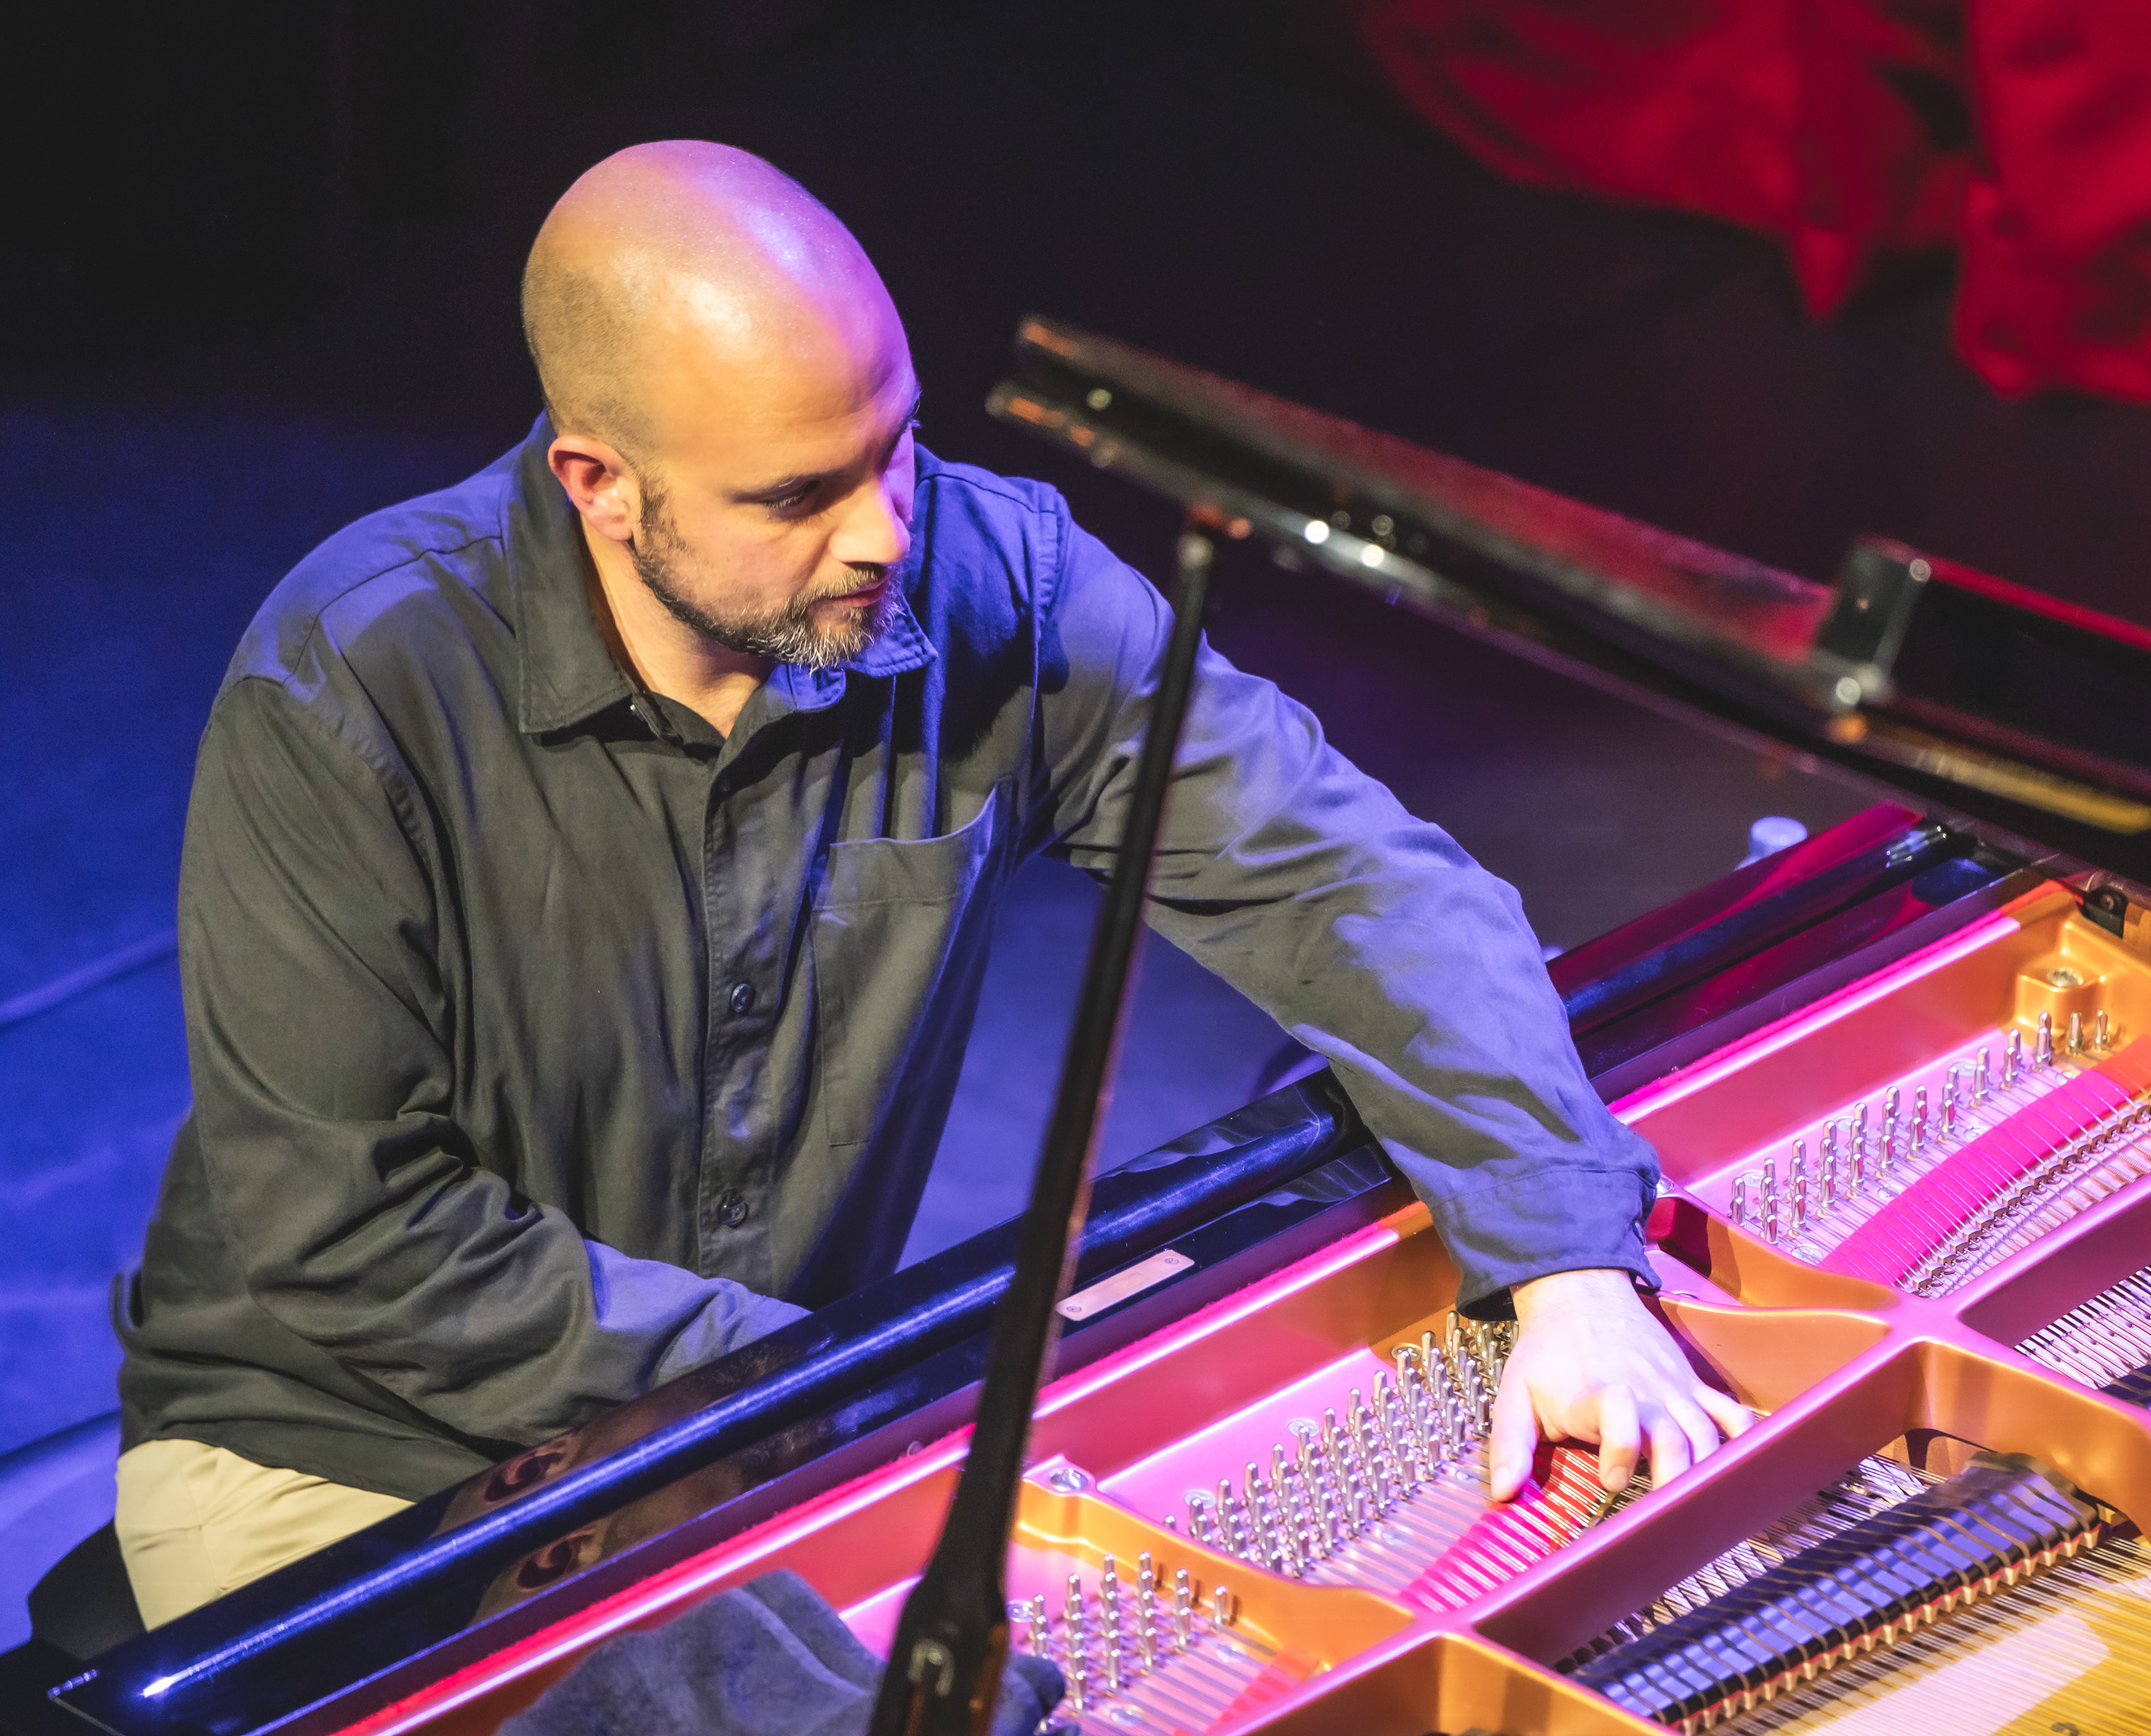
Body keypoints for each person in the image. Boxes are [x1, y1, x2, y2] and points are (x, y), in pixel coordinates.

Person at [112, 140, 1750, 1628]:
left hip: (764, 1420)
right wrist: (841, 1385)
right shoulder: (355, 679)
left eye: (895, 449)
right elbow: (355, 1232)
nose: (884, 531)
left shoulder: (985, 581)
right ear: (596, 483)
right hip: (342, 1460)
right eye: (794, 496)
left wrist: (1565, 1258)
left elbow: (1348, 884)